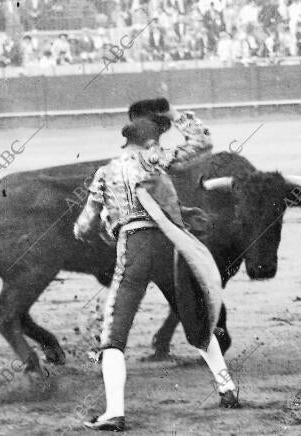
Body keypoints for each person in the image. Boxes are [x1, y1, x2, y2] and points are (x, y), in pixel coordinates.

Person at [74, 98, 240, 432]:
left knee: (114, 335)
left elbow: (83, 226)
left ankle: (115, 412)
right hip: (169, 244)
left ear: (124, 140)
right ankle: (226, 387)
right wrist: (177, 116)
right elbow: (202, 143)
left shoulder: (104, 172)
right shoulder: (155, 158)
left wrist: (108, 225)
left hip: (133, 248)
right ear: (150, 140)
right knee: (194, 312)